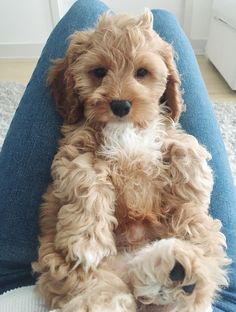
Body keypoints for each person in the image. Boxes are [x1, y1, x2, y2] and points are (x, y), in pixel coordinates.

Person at [0, 0, 235, 311]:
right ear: (70, 84)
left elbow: (74, 166)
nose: (121, 95)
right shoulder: (89, 136)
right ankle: (158, 281)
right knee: (162, 21)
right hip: (149, 266)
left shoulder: (94, 135)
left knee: (86, 8)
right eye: (100, 73)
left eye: (141, 73)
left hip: (92, 267)